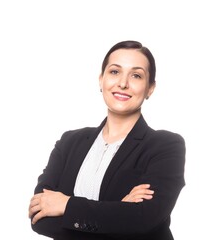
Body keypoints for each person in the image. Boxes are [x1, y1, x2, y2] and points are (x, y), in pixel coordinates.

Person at [28, 40, 186, 240]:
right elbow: (39, 218)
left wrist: (66, 205)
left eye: (136, 75)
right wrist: (119, 211)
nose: (122, 83)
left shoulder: (165, 146)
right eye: (114, 72)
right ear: (101, 80)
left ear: (150, 88)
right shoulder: (69, 142)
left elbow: (145, 220)